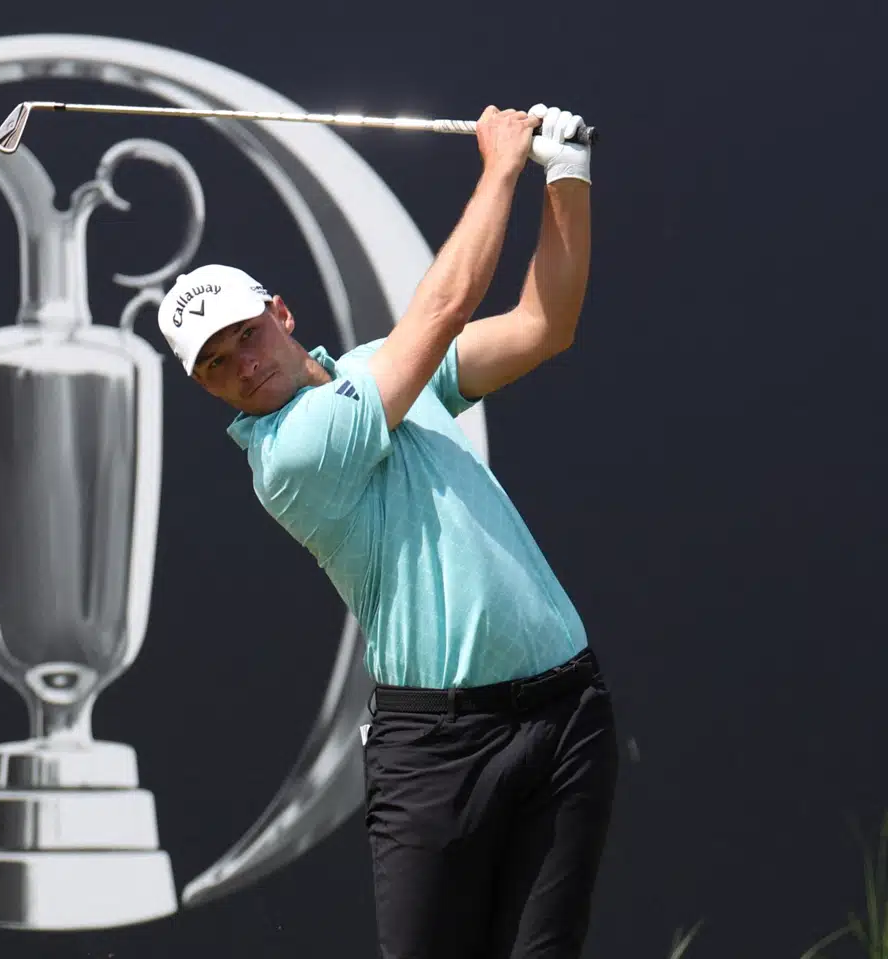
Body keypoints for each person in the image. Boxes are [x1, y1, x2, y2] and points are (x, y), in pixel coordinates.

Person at [155, 104, 615, 959]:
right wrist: (502, 164)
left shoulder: (376, 370)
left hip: (565, 716)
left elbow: (544, 326)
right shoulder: (289, 454)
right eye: (215, 364)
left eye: (246, 336)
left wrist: (568, 175)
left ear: (281, 314)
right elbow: (442, 309)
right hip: (439, 749)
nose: (243, 367)